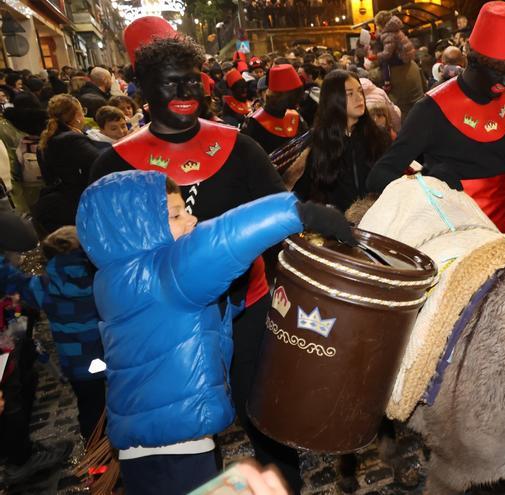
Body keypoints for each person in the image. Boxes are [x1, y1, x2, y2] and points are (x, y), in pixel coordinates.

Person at [88, 16, 304, 490]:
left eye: (192, 81)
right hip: (167, 331)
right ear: (144, 88)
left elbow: (279, 218)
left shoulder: (239, 146)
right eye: (172, 83)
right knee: (190, 437)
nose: (186, 92)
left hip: (246, 307)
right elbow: (104, 254)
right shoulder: (115, 165)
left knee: (265, 416)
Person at [76, 170, 353, 494]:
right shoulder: (162, 272)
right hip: (176, 449)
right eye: (176, 215)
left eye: (186, 210)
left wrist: (228, 305)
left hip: (146, 445)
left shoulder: (114, 278)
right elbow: (222, 240)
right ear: (138, 229)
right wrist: (299, 213)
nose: (191, 219)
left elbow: (171, 328)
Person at [367, 1, 505, 232]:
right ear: (473, 62)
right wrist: (427, 182)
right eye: (498, 71)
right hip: (456, 232)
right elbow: (378, 177)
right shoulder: (432, 108)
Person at [0, 226, 106, 439]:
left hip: (79, 367)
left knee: (90, 409)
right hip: (111, 356)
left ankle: (96, 450)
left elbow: (14, 281)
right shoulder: (103, 281)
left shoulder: (46, 288)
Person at [291, 70, 391, 212]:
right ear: (333, 99)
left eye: (359, 91)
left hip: (379, 218)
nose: (359, 98)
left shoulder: (379, 136)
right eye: (350, 94)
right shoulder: (316, 143)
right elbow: (302, 195)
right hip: (336, 222)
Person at [32, 94, 103, 234]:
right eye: (82, 111)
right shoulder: (73, 140)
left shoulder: (47, 139)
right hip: (77, 204)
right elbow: (101, 162)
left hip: (57, 205)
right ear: (77, 116)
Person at [242, 64, 307, 155]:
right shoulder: (254, 122)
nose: (298, 100)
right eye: (294, 95)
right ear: (282, 96)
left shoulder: (295, 116)